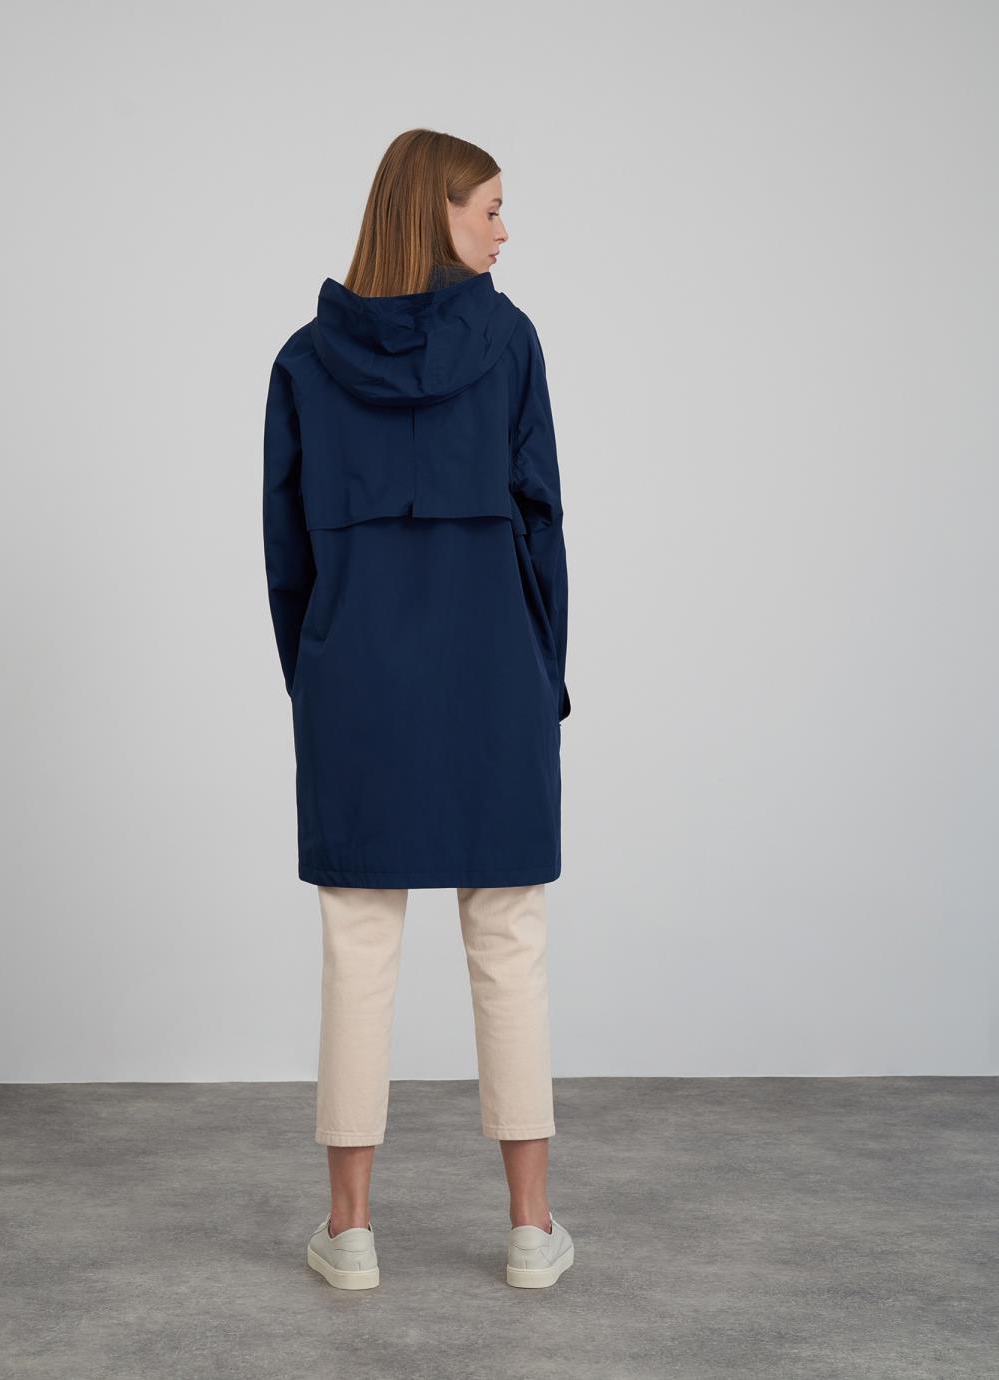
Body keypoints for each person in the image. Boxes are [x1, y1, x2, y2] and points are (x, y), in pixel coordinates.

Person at [262, 128, 575, 1290]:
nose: (505, 228)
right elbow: (542, 521)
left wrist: (318, 682)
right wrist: (544, 675)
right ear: (436, 211)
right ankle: (532, 1231)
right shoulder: (510, 343)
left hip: (356, 685)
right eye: (489, 206)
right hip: (493, 675)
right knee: (510, 943)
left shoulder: (304, 362)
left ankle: (348, 1235)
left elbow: (285, 558)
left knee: (357, 947)